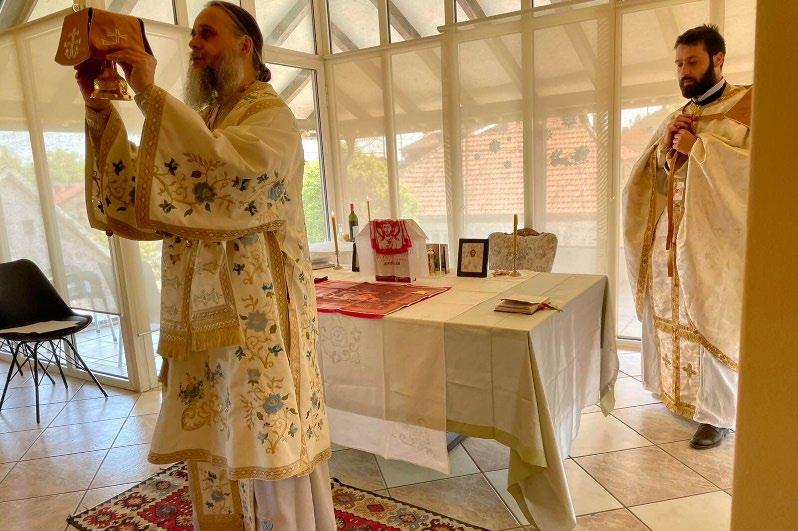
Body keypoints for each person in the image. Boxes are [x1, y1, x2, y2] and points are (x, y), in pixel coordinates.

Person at [76, 2, 335, 528]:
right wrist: (102, 111)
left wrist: (149, 94)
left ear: (245, 46)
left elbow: (224, 172)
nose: (194, 44)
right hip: (204, 321)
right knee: (217, 432)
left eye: (207, 34)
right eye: (193, 34)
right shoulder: (209, 120)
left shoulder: (271, 117)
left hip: (258, 318)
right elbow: (143, 197)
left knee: (265, 438)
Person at [623, 24, 752, 450]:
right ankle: (677, 395)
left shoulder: (748, 106)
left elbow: (754, 171)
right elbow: (659, 178)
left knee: (708, 312)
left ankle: (716, 415)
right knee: (669, 311)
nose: (684, 72)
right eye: (679, 64)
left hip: (716, 243)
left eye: (692, 62)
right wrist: (665, 149)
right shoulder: (679, 115)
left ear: (718, 59)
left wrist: (699, 148)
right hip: (671, 237)